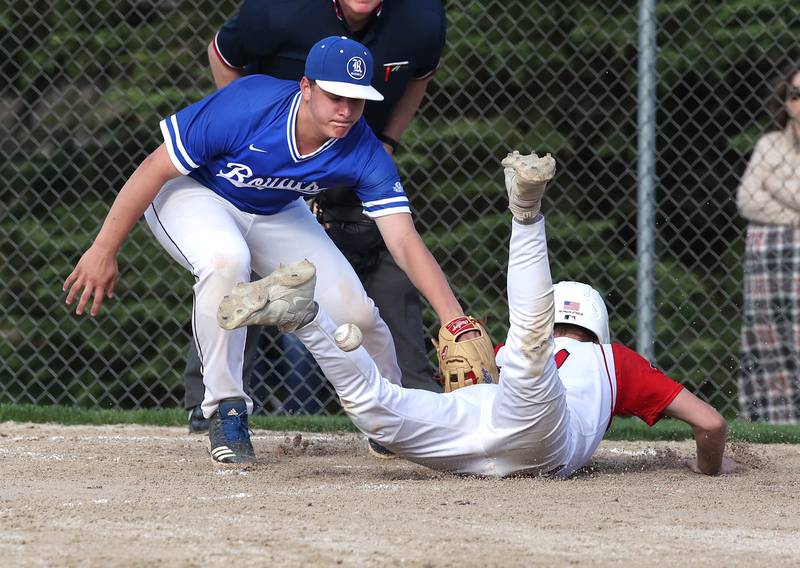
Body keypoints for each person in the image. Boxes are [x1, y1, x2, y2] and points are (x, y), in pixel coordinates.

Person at [63, 36, 476, 465]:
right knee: (227, 262)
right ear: (306, 87)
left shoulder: (362, 148)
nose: (346, 110)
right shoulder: (249, 105)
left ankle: (389, 416)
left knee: (356, 312)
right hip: (192, 193)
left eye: (357, 99)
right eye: (335, 96)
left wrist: (455, 319)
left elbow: (405, 241)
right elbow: (154, 167)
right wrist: (103, 248)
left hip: (276, 208)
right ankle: (226, 408)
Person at [222, 150, 738, 476]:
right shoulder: (611, 359)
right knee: (529, 353)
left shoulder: (501, 353)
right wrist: (706, 468)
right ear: (596, 329)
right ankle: (527, 215)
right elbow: (710, 424)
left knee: (378, 407)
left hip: (472, 429)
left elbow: (482, 381)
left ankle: (308, 318)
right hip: (541, 441)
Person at [185, 0, 447, 432]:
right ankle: (213, 401)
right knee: (233, 264)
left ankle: (402, 405)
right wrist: (256, 144)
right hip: (269, 160)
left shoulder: (420, 16)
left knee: (380, 269)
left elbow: (420, 75)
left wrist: (387, 140)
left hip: (355, 156)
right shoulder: (280, 9)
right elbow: (223, 54)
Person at [736, 66, 800, 425]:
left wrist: (773, 183)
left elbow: (765, 194)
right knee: (769, 340)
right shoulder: (769, 145)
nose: (799, 102)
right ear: (786, 102)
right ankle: (776, 422)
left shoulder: (771, 159)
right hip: (770, 259)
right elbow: (747, 200)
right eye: (795, 95)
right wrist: (794, 216)